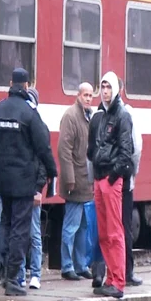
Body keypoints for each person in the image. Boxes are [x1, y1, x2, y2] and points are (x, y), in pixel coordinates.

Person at [0, 68, 57, 296]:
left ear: (10, 83)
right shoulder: (29, 113)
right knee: (20, 229)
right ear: (27, 86)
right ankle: (12, 280)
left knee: (5, 224)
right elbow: (43, 146)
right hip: (23, 182)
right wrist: (51, 169)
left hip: (3, 180)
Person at [87, 71, 134, 299]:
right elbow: (91, 148)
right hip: (100, 178)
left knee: (115, 232)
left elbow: (127, 152)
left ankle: (119, 281)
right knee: (104, 233)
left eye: (108, 87)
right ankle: (110, 278)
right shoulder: (100, 116)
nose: (104, 91)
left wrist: (113, 177)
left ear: (114, 90)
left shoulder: (122, 116)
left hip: (110, 180)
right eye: (102, 87)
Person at [57, 83, 95, 281]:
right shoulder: (71, 117)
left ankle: (80, 265)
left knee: (83, 227)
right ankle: (67, 265)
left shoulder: (88, 117)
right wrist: (69, 178)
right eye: (85, 95)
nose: (89, 98)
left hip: (85, 181)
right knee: (71, 226)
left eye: (90, 95)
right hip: (75, 182)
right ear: (78, 95)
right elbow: (64, 150)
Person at [16, 87, 48, 290]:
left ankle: (35, 273)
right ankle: (21, 274)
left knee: (32, 233)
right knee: (22, 233)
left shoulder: (39, 127)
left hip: (30, 186)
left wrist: (38, 187)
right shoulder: (32, 125)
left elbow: (43, 162)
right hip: (22, 186)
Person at [119, 78, 143, 287]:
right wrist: (132, 173)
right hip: (124, 180)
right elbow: (136, 149)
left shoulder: (99, 113)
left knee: (109, 228)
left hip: (106, 179)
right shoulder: (128, 113)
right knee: (124, 227)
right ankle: (126, 271)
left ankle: (105, 273)